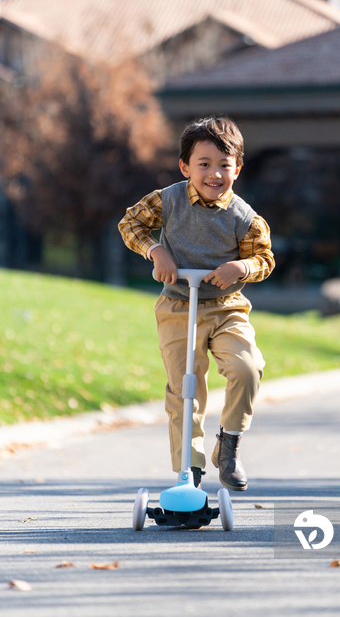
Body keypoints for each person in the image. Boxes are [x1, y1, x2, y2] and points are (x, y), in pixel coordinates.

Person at [118, 116, 274, 491]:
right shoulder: (167, 199)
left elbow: (264, 259)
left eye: (224, 165)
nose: (214, 174)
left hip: (225, 307)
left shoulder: (245, 218)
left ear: (237, 168)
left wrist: (242, 266)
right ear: (186, 167)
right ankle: (190, 470)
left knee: (247, 368)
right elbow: (131, 224)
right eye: (204, 164)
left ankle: (229, 446)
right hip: (177, 305)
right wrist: (156, 250)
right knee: (185, 388)